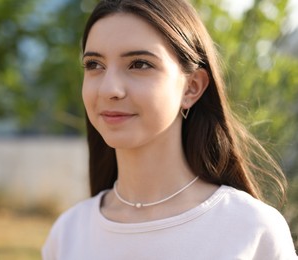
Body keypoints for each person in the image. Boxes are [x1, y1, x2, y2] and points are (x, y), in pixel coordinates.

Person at [42, 0, 297, 259]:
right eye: (95, 65)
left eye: (139, 64)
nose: (109, 89)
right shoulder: (68, 234)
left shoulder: (252, 230)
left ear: (192, 87)